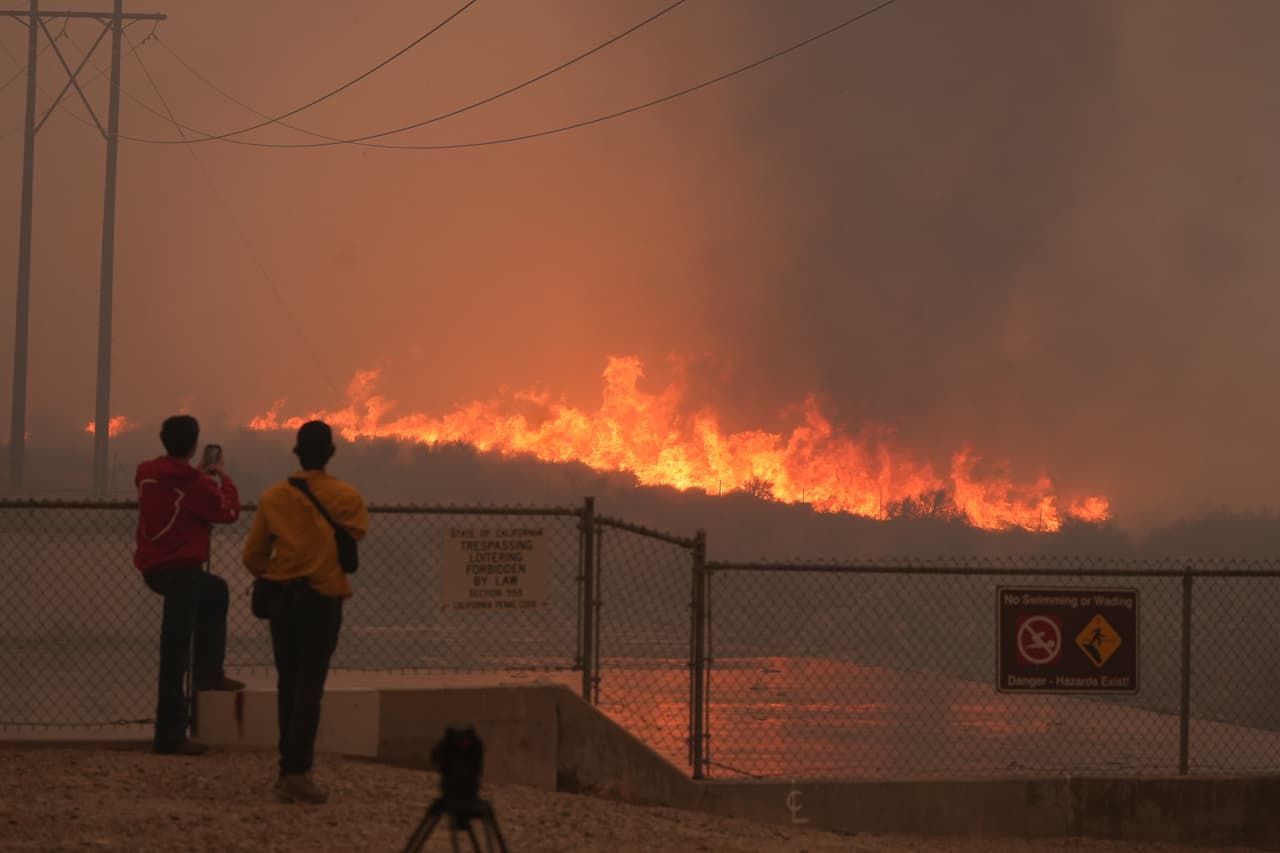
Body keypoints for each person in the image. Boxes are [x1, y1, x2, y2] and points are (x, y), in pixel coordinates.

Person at [243, 420, 368, 804]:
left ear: (297, 453)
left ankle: (288, 768)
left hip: (284, 600)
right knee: (310, 687)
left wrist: (278, 574)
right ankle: (298, 771)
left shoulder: (274, 497)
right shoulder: (346, 497)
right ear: (329, 455)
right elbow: (357, 534)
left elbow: (253, 556)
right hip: (323, 601)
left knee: (288, 682)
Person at [134, 414, 244, 756]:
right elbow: (228, 512)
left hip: (154, 567)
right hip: (181, 571)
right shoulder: (197, 485)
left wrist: (195, 471)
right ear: (195, 445)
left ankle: (208, 671)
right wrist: (221, 477)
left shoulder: (146, 472)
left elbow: (169, 484)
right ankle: (170, 733)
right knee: (175, 652)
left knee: (215, 591)